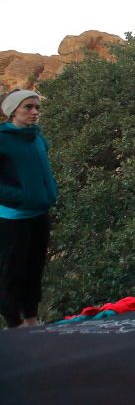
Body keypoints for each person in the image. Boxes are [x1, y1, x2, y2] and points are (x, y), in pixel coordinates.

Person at [0, 89, 58, 328]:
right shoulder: (3, 139)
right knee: (12, 272)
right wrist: (21, 197)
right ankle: (14, 324)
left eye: (37, 107)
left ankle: (32, 319)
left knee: (35, 269)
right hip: (13, 217)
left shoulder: (37, 137)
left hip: (39, 213)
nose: (35, 112)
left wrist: (48, 193)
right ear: (13, 111)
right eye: (28, 107)